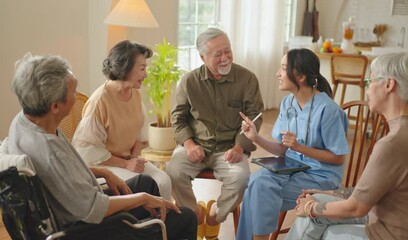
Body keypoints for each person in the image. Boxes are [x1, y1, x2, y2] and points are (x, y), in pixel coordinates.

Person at [8, 52, 197, 240]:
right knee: (186, 217)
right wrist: (143, 199)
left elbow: (60, 175)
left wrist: (101, 172)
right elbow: (94, 208)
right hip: (85, 230)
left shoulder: (24, 121)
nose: (77, 97)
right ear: (55, 106)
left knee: (145, 183)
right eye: (73, 92)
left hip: (78, 209)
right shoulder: (50, 152)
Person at [286, 52, 408, 240]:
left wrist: (310, 208)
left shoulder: (392, 143)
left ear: (389, 85)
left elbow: (356, 208)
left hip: (387, 233)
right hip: (394, 221)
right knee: (317, 203)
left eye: (370, 81)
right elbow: (370, 191)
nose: (367, 89)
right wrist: (329, 193)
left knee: (317, 222)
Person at [236, 48, 349, 240]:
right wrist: (255, 138)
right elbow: (282, 149)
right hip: (290, 169)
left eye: (282, 69)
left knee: (258, 191)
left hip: (320, 176)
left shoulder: (328, 110)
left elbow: (338, 158)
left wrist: (300, 148)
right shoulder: (288, 103)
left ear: (300, 76)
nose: (277, 74)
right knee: (257, 182)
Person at [165, 27, 264, 238]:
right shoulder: (189, 81)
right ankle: (194, 214)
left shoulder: (247, 79)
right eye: (218, 54)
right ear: (202, 57)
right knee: (172, 171)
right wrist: (189, 145)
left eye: (227, 51)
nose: (225, 58)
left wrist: (240, 147)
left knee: (240, 180)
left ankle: (214, 215)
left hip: (231, 148)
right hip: (196, 145)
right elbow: (178, 119)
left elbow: (255, 118)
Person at [72, 40, 172, 200]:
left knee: (164, 181)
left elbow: (138, 135)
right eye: (142, 68)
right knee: (147, 183)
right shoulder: (99, 101)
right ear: (126, 68)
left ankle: (165, 223)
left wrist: (133, 158)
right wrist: (126, 164)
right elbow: (87, 151)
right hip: (104, 165)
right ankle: (146, 222)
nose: (145, 74)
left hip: (128, 159)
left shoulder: (134, 94)